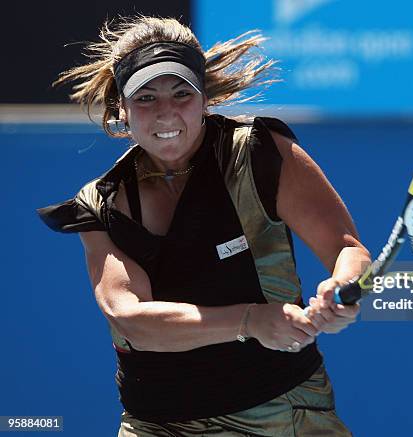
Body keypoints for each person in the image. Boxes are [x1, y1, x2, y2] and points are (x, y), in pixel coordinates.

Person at [37, 16, 370, 437]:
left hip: (284, 411)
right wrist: (250, 321)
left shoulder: (260, 154)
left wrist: (341, 290)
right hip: (156, 425)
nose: (166, 112)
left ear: (204, 99)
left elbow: (347, 250)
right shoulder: (101, 202)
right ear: (121, 108)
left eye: (181, 93)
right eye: (145, 97)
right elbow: (131, 321)